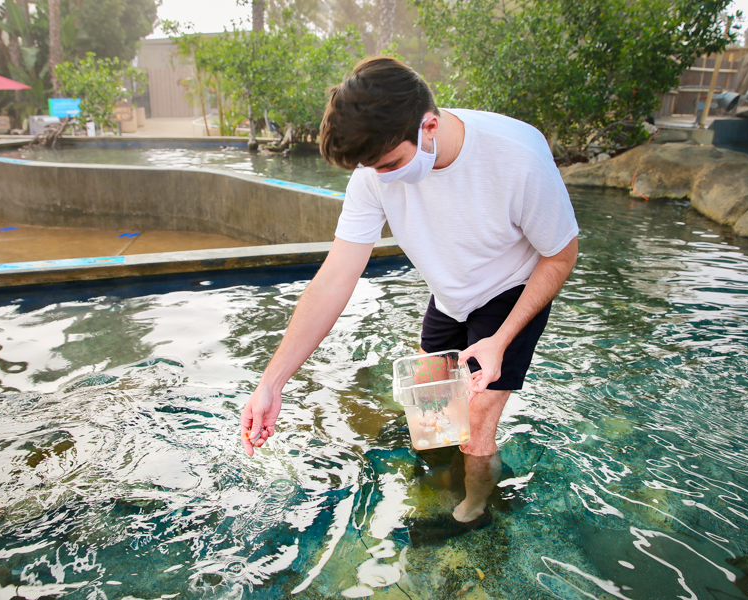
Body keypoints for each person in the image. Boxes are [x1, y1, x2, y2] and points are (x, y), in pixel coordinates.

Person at [240, 57, 578, 477]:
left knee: (473, 429)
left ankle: (476, 521)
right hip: (449, 294)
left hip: (509, 291)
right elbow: (333, 280)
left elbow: (561, 255)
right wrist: (272, 383)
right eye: (371, 169)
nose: (380, 179)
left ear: (429, 127)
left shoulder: (518, 156)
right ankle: (433, 493)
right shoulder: (372, 173)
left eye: (388, 165)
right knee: (430, 416)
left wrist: (502, 339)